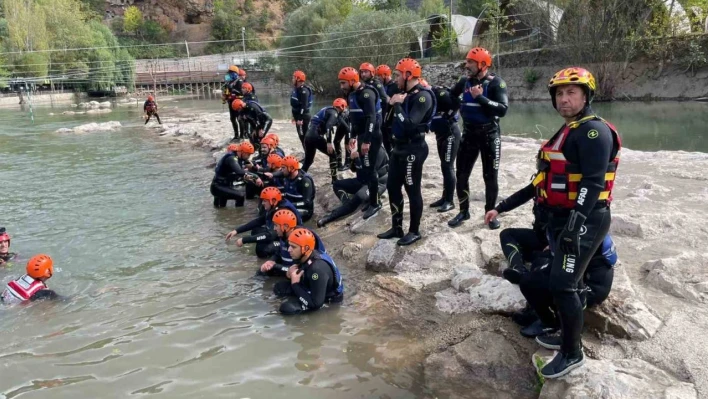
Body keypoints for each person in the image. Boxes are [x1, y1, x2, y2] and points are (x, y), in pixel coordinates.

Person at [526, 67, 621, 378]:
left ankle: (572, 353)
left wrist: (573, 224)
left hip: (587, 219)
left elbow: (593, 184)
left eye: (571, 93)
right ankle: (564, 334)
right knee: (564, 280)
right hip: (565, 218)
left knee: (564, 284)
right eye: (559, 94)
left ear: (586, 96)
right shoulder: (571, 128)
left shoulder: (594, 131)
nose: (563, 99)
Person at [448, 47, 508, 230]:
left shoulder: (496, 83)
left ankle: (490, 214)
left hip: (489, 135)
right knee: (461, 174)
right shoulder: (464, 81)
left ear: (482, 64)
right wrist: (458, 104)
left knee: (490, 177)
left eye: (470, 62)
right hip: (469, 134)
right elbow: (451, 95)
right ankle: (464, 211)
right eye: (467, 62)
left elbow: (502, 109)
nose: (467, 66)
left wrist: (480, 98)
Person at [377, 58, 435, 246]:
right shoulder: (402, 93)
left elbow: (410, 125)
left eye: (397, 74)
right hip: (399, 148)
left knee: (412, 189)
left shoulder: (422, 97)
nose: (394, 78)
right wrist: (393, 103)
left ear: (408, 75)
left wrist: (397, 105)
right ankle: (397, 227)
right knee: (393, 187)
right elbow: (388, 121)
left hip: (414, 148)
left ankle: (414, 231)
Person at [514, 235, 617, 338]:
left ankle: (551, 324)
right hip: (580, 276)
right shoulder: (583, 231)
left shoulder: (586, 240)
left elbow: (570, 270)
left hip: (590, 288)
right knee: (532, 278)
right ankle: (540, 315)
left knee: (543, 286)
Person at [338, 66, 383, 220]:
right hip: (363, 135)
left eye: (343, 83)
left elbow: (372, 118)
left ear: (352, 81)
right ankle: (371, 199)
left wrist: (367, 141)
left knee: (370, 170)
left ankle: (375, 203)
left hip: (373, 136)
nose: (341, 86)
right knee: (365, 168)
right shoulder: (352, 94)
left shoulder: (366, 93)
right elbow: (354, 119)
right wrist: (352, 136)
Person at [274, 228, 343, 315]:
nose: (289, 250)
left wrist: (295, 285)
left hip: (326, 299)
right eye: (289, 245)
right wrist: (289, 274)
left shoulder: (317, 269)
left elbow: (316, 304)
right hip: (312, 286)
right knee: (279, 287)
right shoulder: (307, 255)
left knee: (287, 308)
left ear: (305, 248)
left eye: (293, 247)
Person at [317, 146, 389, 227]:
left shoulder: (378, 151)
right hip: (362, 180)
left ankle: (329, 217)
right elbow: (354, 169)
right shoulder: (361, 147)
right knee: (337, 184)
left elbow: (371, 173)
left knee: (358, 197)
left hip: (376, 183)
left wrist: (360, 157)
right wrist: (351, 158)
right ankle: (346, 203)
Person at [226, 187, 302, 258]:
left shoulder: (282, 212)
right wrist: (237, 231)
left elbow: (270, 235)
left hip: (288, 241)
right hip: (278, 234)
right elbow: (259, 221)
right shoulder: (274, 208)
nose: (262, 203)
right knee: (256, 231)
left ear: (273, 201)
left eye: (265, 201)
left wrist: (244, 240)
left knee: (262, 249)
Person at [260, 209, 327, 276]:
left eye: (276, 225)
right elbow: (278, 253)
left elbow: (299, 269)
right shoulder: (284, 235)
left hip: (311, 268)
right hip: (293, 265)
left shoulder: (301, 239)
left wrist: (275, 266)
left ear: (285, 227)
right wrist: (271, 261)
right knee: (264, 270)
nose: (274, 228)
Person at [429, 85, 461, 213]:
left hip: (450, 134)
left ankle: (450, 201)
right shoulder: (426, 96)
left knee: (448, 166)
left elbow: (457, 103)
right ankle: (444, 197)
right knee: (444, 166)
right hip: (440, 134)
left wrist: (448, 115)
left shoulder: (439, 94)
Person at [302, 98, 348, 182]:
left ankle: (299, 178)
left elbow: (343, 126)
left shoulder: (328, 110)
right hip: (316, 136)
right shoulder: (334, 112)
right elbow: (328, 127)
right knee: (333, 154)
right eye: (345, 107)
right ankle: (334, 180)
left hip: (308, 136)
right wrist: (329, 142)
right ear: (342, 106)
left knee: (308, 160)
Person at [281, 155, 315, 222]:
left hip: (304, 209)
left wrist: (289, 205)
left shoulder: (305, 180)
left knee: (283, 218)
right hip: (290, 204)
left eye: (283, 168)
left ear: (291, 168)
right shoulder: (287, 175)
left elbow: (306, 203)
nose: (281, 170)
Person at [211, 143, 246, 208]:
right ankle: (238, 217)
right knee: (240, 196)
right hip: (218, 186)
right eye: (248, 155)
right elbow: (239, 172)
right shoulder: (231, 158)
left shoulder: (236, 158)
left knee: (221, 208)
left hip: (222, 186)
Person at [377, 64, 400, 155]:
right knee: (385, 142)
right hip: (383, 118)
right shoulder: (380, 86)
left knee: (393, 142)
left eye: (379, 76)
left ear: (384, 75)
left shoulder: (395, 86)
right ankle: (390, 161)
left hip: (392, 119)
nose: (378, 78)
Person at [291, 70, 314, 150]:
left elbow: (303, 106)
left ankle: (309, 155)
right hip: (298, 116)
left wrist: (300, 118)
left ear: (298, 79)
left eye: (293, 78)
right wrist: (294, 116)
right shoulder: (297, 89)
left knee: (304, 137)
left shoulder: (304, 91)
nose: (292, 79)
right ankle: (307, 154)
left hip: (303, 117)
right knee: (301, 137)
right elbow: (295, 105)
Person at [222, 65, 244, 140]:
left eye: (231, 73)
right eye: (229, 73)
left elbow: (242, 93)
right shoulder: (228, 83)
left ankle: (242, 135)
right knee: (232, 118)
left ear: (235, 74)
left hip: (238, 103)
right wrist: (224, 97)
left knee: (239, 118)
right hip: (231, 103)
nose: (229, 75)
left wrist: (234, 90)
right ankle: (236, 135)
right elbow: (226, 92)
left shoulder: (239, 82)